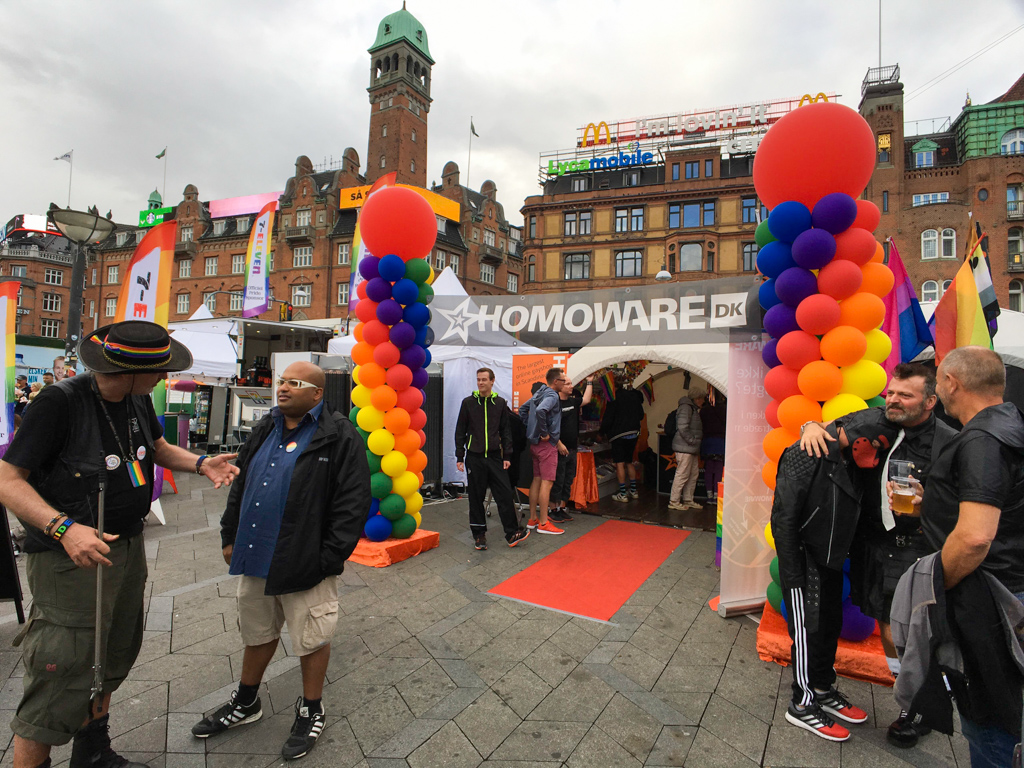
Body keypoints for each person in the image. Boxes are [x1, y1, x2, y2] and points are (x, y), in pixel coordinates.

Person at [0, 321, 239, 768]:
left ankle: (92, 754)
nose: (165, 376)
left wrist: (202, 462)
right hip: (69, 560)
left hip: (125, 548)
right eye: (160, 369)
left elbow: (159, 447)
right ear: (129, 370)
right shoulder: (60, 403)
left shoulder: (137, 398)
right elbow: (7, 480)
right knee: (61, 668)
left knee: (112, 651)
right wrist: (64, 528)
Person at [190, 362, 369, 759]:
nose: (283, 388)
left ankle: (311, 708)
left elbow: (353, 503)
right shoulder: (264, 428)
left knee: (311, 636)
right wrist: (229, 534)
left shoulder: (339, 435)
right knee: (257, 631)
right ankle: (247, 701)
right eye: (282, 381)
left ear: (317, 394)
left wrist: (328, 558)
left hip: (306, 560)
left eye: (294, 383)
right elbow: (241, 483)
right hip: (256, 552)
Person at [799, 363, 957, 748]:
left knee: (907, 629)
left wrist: (928, 505)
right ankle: (910, 695)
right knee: (885, 623)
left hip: (919, 546)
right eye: (891, 392)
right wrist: (809, 426)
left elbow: (970, 504)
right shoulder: (875, 421)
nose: (894, 400)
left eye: (905, 395)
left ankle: (917, 706)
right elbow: (826, 427)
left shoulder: (951, 442)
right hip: (873, 543)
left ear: (930, 401)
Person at [917, 347, 1024, 767]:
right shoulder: (1010, 422)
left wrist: (930, 584)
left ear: (952, 383)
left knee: (989, 719)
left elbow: (976, 537)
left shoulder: (981, 439)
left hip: (988, 601)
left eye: (938, 379)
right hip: (1007, 588)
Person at [772, 416, 899, 742]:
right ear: (855, 436)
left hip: (830, 557)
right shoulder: (806, 451)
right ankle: (802, 702)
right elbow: (783, 517)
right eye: (873, 443)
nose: (875, 453)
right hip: (802, 557)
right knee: (805, 629)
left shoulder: (856, 461)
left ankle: (821, 687)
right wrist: (792, 573)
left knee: (828, 623)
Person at [455, 367, 530, 550]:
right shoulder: (468, 403)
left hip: (496, 457)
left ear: (492, 381)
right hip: (474, 457)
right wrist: (459, 455)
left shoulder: (500, 403)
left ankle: (512, 533)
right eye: (478, 379)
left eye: (484, 380)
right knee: (476, 497)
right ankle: (479, 535)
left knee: (504, 494)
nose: (480, 383)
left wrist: (507, 455)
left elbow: (506, 431)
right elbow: (460, 431)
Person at [520, 367, 565, 535]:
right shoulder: (552, 395)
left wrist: (531, 428)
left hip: (534, 445)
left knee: (537, 480)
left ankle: (533, 519)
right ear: (556, 381)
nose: (566, 384)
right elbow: (540, 411)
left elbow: (524, 410)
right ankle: (544, 523)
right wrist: (544, 432)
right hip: (546, 446)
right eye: (563, 381)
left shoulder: (540, 392)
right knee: (547, 482)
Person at [549, 375, 594, 523]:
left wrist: (590, 381)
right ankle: (552, 510)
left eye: (571, 384)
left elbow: (586, 399)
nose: (571, 386)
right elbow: (548, 425)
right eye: (567, 384)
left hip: (572, 448)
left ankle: (562, 508)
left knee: (568, 479)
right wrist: (558, 443)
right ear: (559, 386)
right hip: (558, 448)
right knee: (558, 480)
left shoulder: (573, 401)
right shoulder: (553, 403)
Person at [669, 387, 705, 511]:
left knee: (693, 474)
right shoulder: (686, 408)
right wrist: (693, 441)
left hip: (690, 447)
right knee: (682, 474)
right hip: (685, 447)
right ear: (697, 398)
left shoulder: (691, 408)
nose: (703, 401)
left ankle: (688, 499)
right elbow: (683, 427)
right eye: (702, 398)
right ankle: (674, 500)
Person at [699, 392, 727, 503]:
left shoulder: (704, 410)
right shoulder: (724, 409)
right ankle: (717, 495)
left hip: (707, 441)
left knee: (709, 470)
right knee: (719, 470)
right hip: (720, 441)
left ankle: (709, 495)